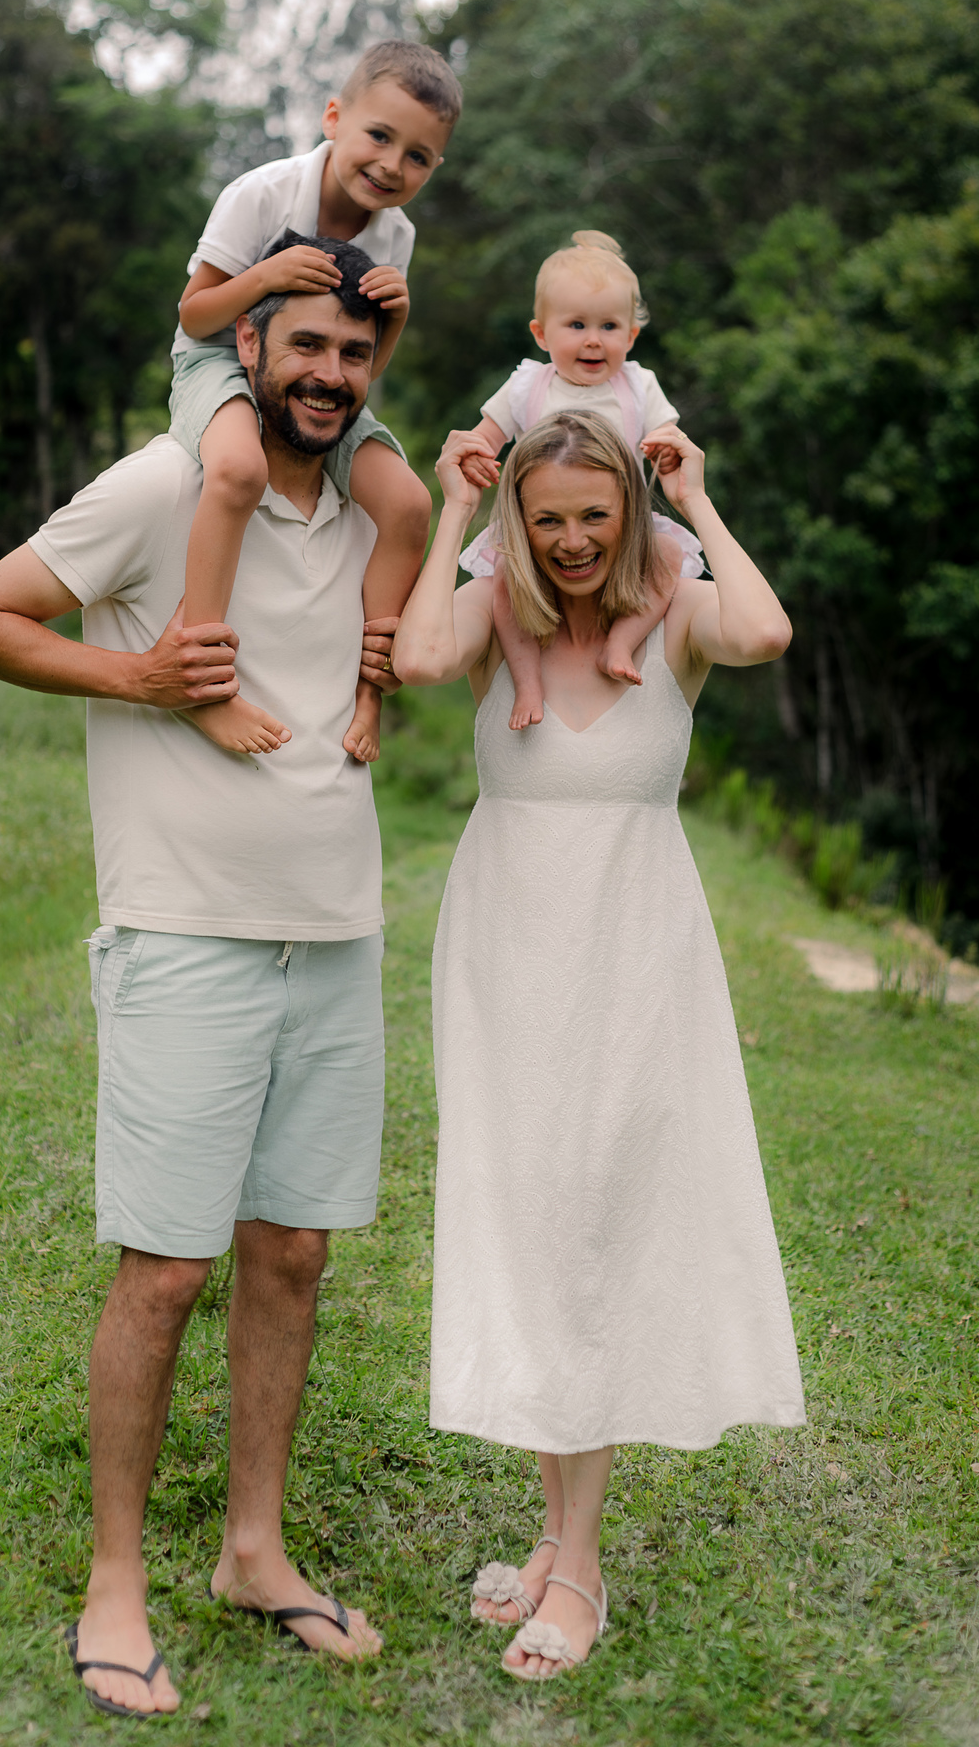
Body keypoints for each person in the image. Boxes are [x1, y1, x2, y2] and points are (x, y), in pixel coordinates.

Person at [0, 241, 404, 1716]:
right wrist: (137, 676)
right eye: (305, 347)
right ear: (247, 350)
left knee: (295, 1254)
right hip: (185, 931)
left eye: (353, 355)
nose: (328, 375)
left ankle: (254, 1552)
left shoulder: (366, 508)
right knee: (166, 1271)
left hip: (336, 929)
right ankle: (116, 1582)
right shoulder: (163, 485)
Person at [392, 409, 806, 1682]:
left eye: (595, 514)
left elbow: (766, 632)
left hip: (634, 967)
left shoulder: (675, 615)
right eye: (549, 518)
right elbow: (417, 656)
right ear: (521, 521)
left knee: (601, 1234)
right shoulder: (492, 619)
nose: (573, 540)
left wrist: (699, 498)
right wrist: (457, 512)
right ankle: (552, 1535)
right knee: (532, 1230)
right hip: (508, 963)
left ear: (630, 512)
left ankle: (578, 1567)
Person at [170, 38, 460, 762]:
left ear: (434, 167)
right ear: (334, 118)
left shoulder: (397, 234)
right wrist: (265, 278)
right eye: (379, 136)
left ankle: (369, 691)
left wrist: (396, 318)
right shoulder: (262, 193)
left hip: (317, 381)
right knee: (238, 470)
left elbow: (363, 371)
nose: (391, 165)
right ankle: (201, 680)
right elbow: (195, 316)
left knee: (408, 504)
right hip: (218, 360)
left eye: (418, 156)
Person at [453, 230, 704, 729]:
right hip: (539, 531)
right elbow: (484, 436)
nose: (593, 339)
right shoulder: (528, 385)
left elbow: (668, 435)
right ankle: (527, 681)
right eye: (576, 325)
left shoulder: (638, 385)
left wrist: (666, 448)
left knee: (669, 557)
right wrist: (473, 456)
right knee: (504, 580)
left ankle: (620, 642)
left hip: (622, 530)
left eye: (609, 326)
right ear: (541, 334)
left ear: (631, 337)